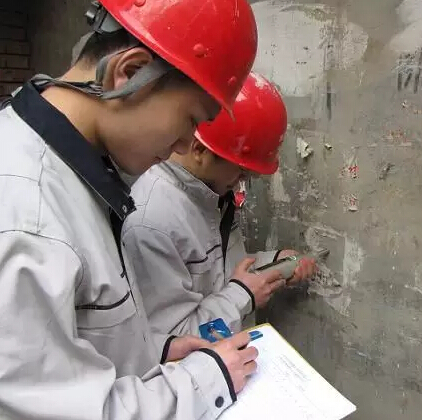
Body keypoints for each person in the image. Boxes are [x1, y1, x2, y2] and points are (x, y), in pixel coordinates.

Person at [0, 1, 263, 419]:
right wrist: (206, 380)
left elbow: (71, 351)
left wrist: (153, 351)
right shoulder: (27, 219)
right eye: (191, 119)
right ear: (131, 72)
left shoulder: (78, 174)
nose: (187, 144)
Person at [122, 72, 317, 338]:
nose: (242, 182)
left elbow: (221, 272)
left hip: (230, 356)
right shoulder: (151, 223)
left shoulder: (210, 194)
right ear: (200, 150)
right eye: (241, 171)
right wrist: (244, 295)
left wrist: (276, 262)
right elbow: (172, 340)